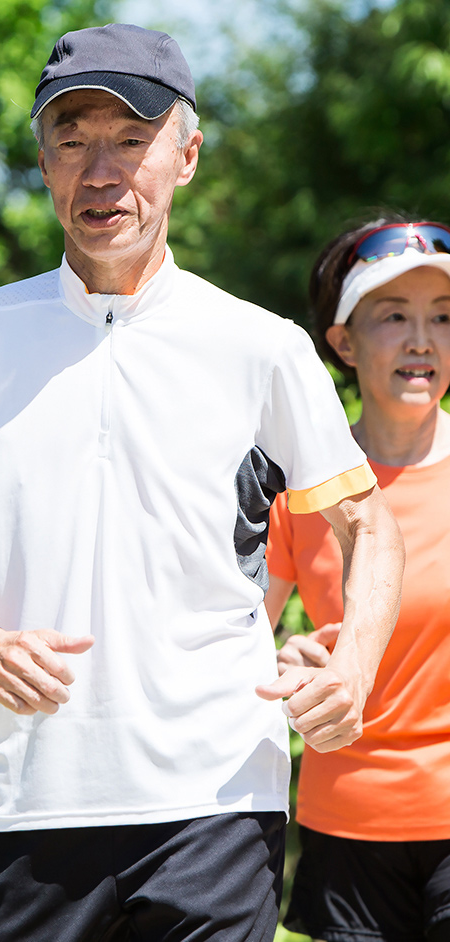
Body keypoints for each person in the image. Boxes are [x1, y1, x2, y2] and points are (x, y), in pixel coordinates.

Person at [0, 23, 406, 942]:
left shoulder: (262, 346)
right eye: (74, 141)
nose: (101, 172)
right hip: (32, 802)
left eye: (132, 140)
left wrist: (356, 666)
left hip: (218, 796)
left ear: (187, 155)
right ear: (43, 164)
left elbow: (371, 529)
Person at [265, 218, 450, 942]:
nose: (422, 340)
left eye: (442, 317)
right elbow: (230, 641)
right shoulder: (297, 489)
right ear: (342, 342)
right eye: (394, 317)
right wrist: (279, 664)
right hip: (345, 833)